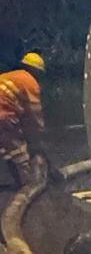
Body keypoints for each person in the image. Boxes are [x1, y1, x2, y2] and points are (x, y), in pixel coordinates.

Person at [0, 52, 48, 188]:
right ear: (36, 70)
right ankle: (27, 186)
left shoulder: (9, 76)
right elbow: (34, 115)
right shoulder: (30, 82)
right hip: (4, 114)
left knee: (6, 148)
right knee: (18, 152)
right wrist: (38, 139)